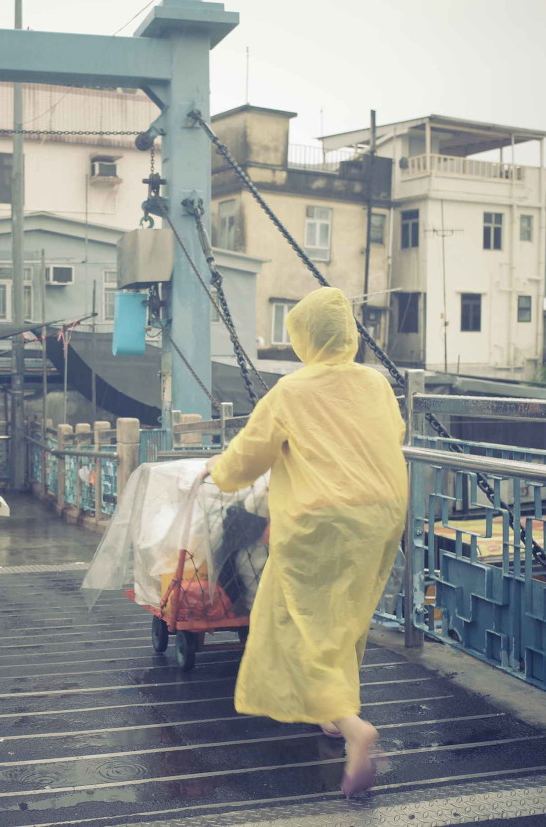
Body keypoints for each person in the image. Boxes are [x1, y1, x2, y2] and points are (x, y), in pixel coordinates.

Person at [204, 287, 408, 797]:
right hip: (382, 514)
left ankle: (351, 723)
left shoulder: (291, 391)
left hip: (319, 520)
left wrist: (217, 470)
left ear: (304, 340)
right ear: (349, 335)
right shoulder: (377, 384)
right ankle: (336, 714)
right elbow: (392, 433)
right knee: (345, 613)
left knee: (295, 621)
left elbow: (247, 457)